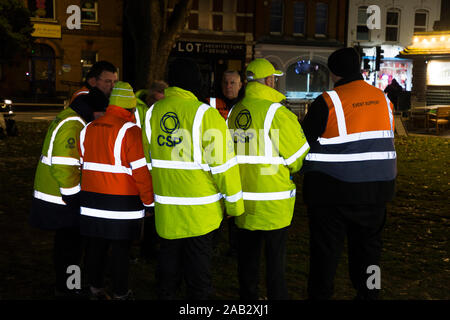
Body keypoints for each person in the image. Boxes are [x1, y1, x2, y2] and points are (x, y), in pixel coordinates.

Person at [143, 58, 244, 300]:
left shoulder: (152, 113)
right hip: (201, 214)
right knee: (199, 277)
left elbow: (148, 162)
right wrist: (234, 205)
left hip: (167, 211)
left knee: (167, 272)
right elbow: (224, 167)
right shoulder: (205, 114)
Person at [300, 47, 397, 300]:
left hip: (331, 192)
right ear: (358, 69)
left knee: (325, 253)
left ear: (333, 73)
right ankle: (370, 293)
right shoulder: (384, 99)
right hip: (377, 190)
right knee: (370, 250)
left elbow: (303, 142)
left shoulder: (328, 101)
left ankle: (320, 295)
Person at [227, 58, 310, 300]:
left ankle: (248, 299)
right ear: (270, 80)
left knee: (247, 258)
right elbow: (297, 157)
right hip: (274, 202)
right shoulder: (277, 112)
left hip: (243, 200)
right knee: (275, 259)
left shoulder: (234, 112)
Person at [29, 85, 110, 298]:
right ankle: (69, 288)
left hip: (57, 194)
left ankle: (66, 286)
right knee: (71, 250)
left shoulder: (70, 116)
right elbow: (65, 165)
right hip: (62, 198)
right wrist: (74, 196)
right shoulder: (74, 124)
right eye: (103, 113)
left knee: (66, 246)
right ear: (95, 110)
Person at [78, 81, 154, 300]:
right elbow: (141, 173)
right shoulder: (131, 131)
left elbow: (83, 164)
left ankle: (94, 287)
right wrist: (149, 203)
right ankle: (121, 292)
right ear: (131, 108)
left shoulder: (89, 128)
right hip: (122, 205)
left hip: (91, 202)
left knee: (95, 247)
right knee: (121, 251)